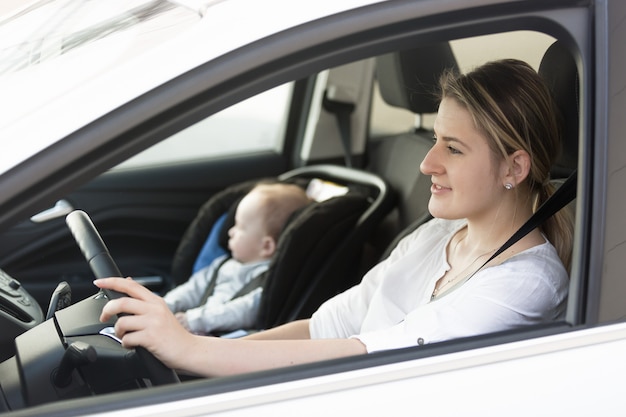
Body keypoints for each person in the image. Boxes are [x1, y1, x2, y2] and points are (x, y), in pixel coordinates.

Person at [95, 58, 573, 378]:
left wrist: (195, 351)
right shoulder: (438, 234)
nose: (427, 163)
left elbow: (382, 356)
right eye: (433, 139)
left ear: (514, 167)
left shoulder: (526, 283)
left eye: (453, 148)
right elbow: (331, 326)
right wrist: (193, 351)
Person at [163, 182, 310, 335]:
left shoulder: (269, 280)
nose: (230, 232)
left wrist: (196, 320)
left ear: (266, 246)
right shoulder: (222, 264)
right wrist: (167, 305)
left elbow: (245, 310)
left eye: (240, 227)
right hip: (195, 329)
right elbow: (193, 288)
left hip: (227, 342)